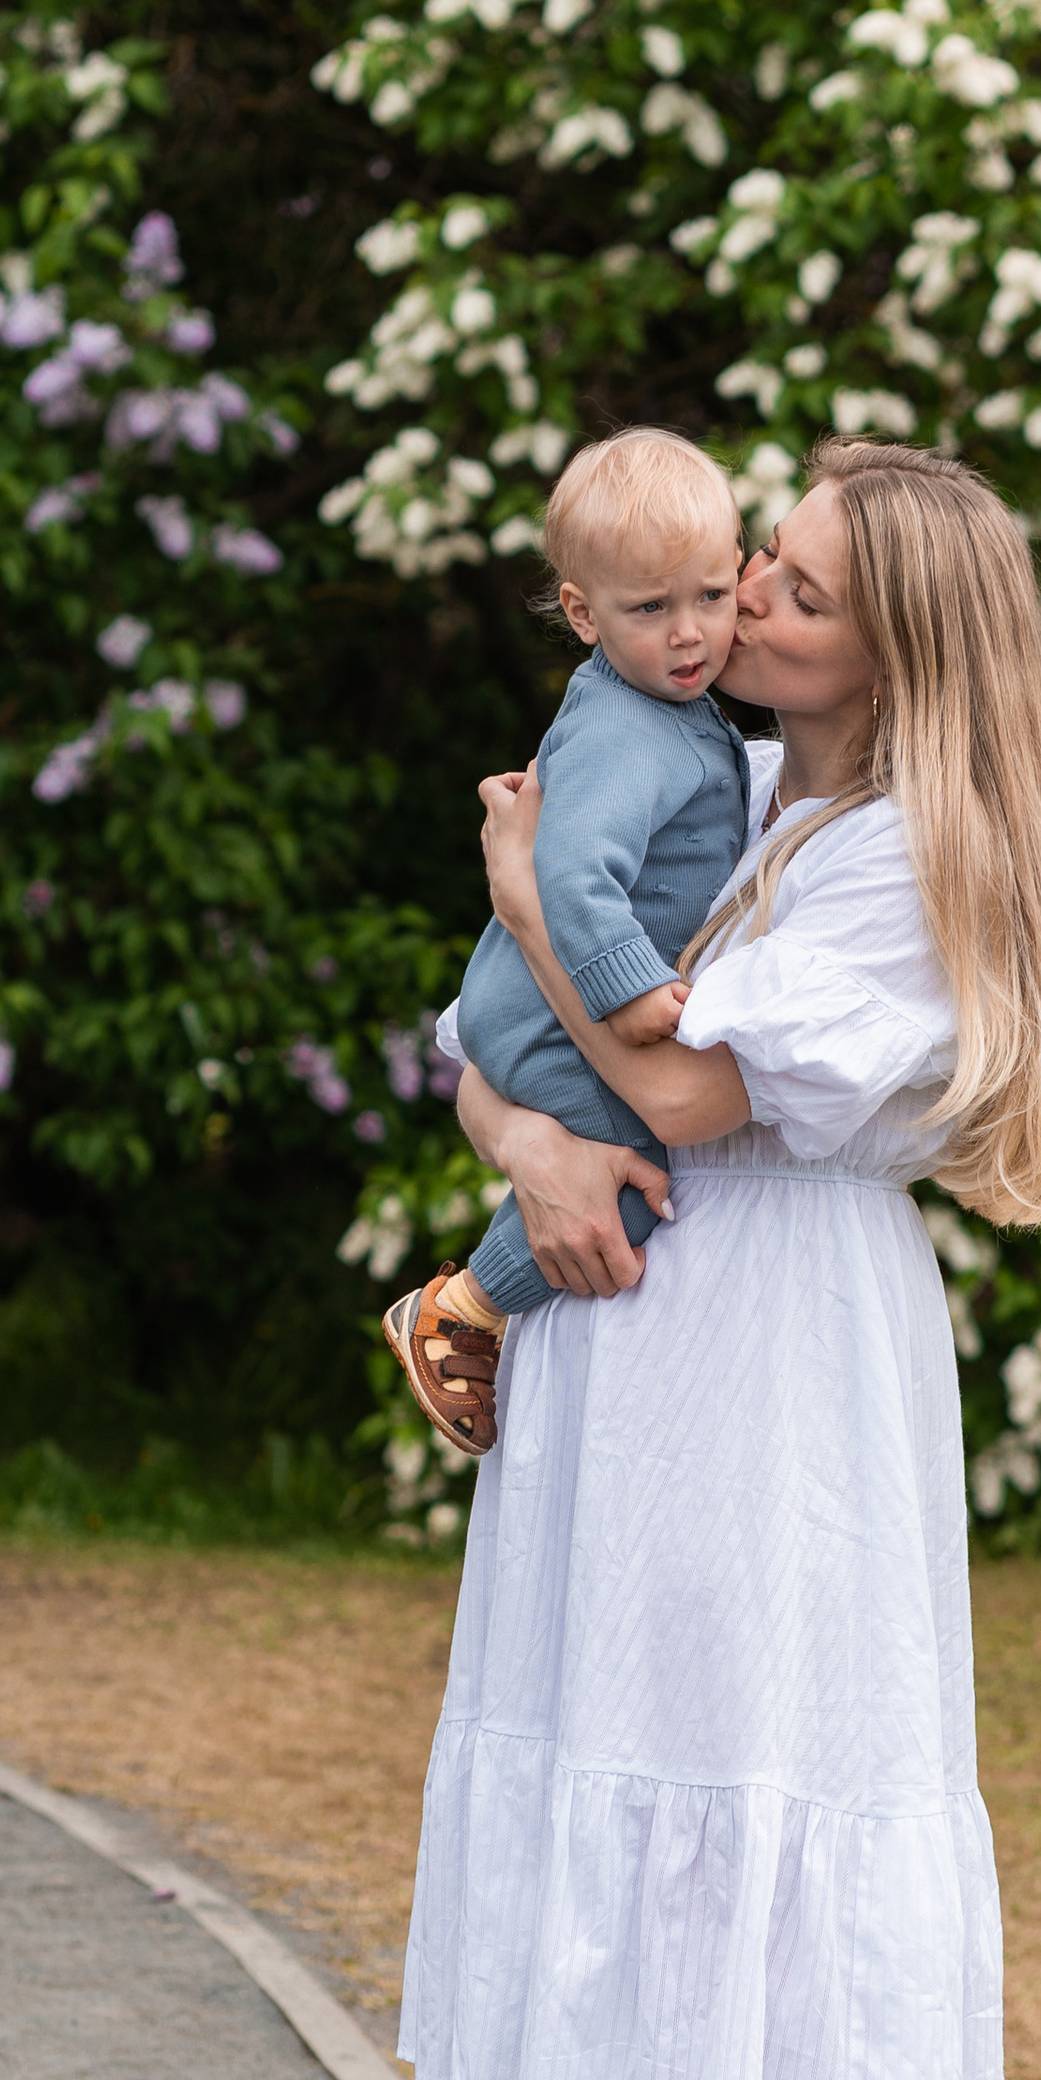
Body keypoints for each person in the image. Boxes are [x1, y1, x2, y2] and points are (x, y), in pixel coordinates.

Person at [399, 435, 1041, 2080]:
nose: (748, 602)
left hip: (779, 1391)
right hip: (636, 1353)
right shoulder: (726, 788)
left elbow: (703, 1100)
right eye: (753, 566)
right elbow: (506, 1044)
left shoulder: (920, 854)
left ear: (904, 639)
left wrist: (528, 903)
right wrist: (517, 1133)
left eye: (803, 585)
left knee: (791, 1867)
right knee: (655, 1871)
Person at [381, 428, 749, 1460]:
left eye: (712, 597)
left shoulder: (662, 712)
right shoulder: (626, 731)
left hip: (545, 1000)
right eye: (651, 609)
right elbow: (569, 873)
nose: (690, 635)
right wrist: (629, 989)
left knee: (621, 1169)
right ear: (582, 611)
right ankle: (462, 1311)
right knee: (624, 1181)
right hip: (548, 1010)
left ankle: (470, 1303)